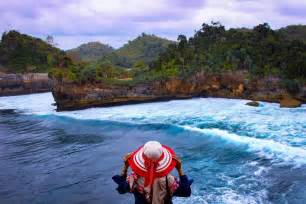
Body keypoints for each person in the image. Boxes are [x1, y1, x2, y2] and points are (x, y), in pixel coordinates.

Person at [112, 141, 193, 204]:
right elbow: (186, 192)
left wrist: (126, 167)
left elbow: (121, 190)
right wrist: (180, 170)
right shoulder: (169, 180)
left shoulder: (134, 179)